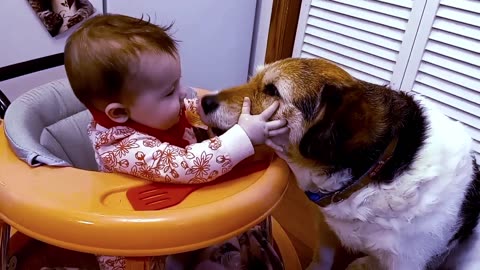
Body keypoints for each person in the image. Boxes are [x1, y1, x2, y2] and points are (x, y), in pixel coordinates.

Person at [64, 14, 287, 270]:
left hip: (184, 216)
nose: (183, 92)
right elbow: (188, 164)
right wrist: (244, 137)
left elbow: (191, 109)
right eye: (169, 91)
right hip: (147, 244)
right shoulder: (122, 148)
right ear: (119, 114)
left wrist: (212, 109)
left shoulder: (157, 114)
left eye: (178, 81)